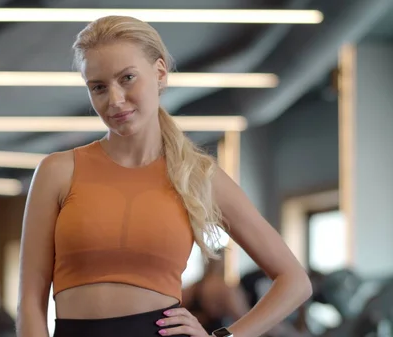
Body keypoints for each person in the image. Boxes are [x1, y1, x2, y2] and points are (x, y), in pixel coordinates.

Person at [17, 15, 312, 337]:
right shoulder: (57, 171)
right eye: (99, 87)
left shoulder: (198, 176)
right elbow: (30, 302)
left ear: (159, 73)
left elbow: (294, 281)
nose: (114, 99)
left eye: (127, 78)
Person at [182, 249, 250, 334]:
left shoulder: (191, 288)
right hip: (218, 333)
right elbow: (243, 319)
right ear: (225, 262)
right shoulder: (226, 289)